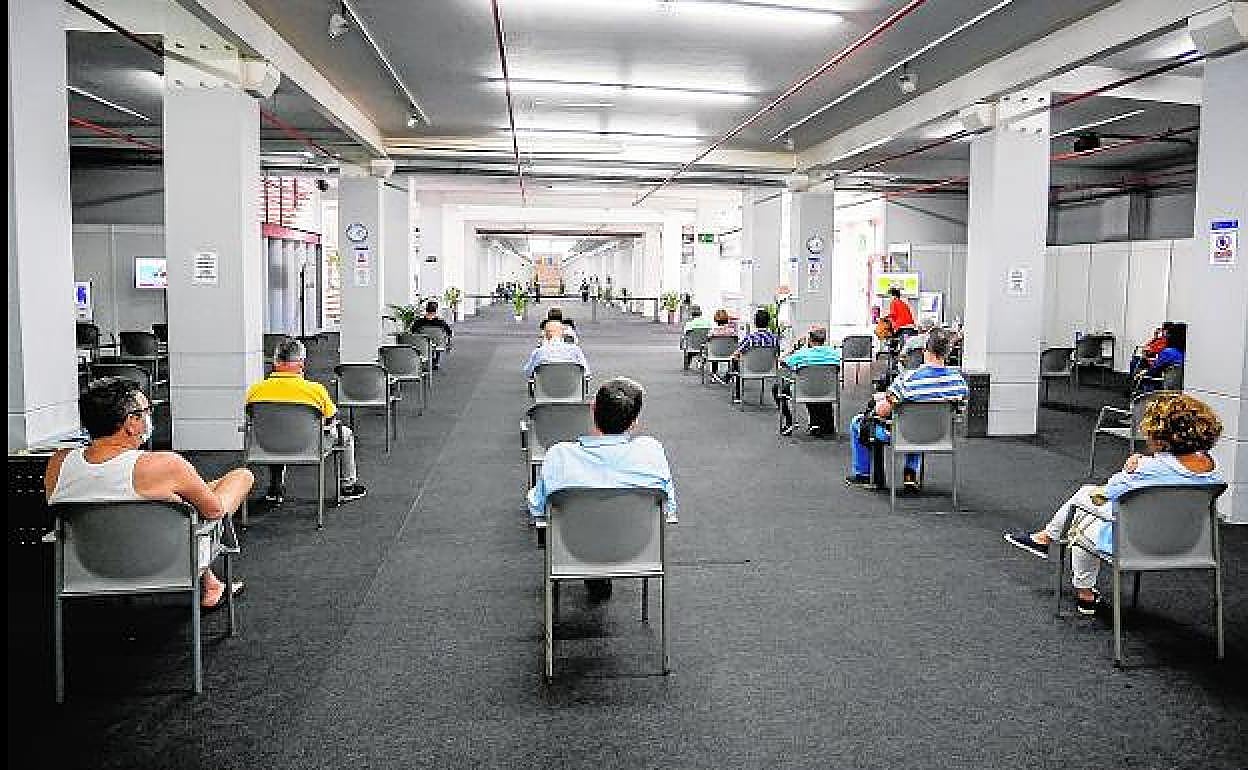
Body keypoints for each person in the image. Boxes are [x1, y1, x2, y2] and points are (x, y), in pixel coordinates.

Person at [45, 377, 254, 610]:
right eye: (146, 411)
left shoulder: (58, 463)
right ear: (131, 422)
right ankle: (211, 584)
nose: (149, 418)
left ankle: (212, 584)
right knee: (241, 477)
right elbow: (214, 512)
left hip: (87, 566)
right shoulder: (164, 465)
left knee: (169, 502)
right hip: (168, 561)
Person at [1004, 393, 1222, 615]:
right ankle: (1045, 539)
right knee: (1087, 496)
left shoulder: (1147, 469)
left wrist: (1131, 468)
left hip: (1137, 545)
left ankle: (1083, 592)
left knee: (1080, 525)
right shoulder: (1211, 470)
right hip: (1188, 545)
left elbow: (1106, 494)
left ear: (1160, 434)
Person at [527, 377, 678, 600]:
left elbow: (537, 508)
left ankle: (593, 568)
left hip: (573, 548)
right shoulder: (651, 452)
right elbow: (669, 510)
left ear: (593, 409)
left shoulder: (559, 455)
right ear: (634, 422)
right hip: (635, 547)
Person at [245, 337, 367, 504]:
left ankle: (275, 489)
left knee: (276, 429)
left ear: (275, 361)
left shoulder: (255, 390)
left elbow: (252, 418)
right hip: (309, 446)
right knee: (345, 434)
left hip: (266, 446)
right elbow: (331, 419)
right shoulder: (315, 390)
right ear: (301, 363)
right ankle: (348, 487)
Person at [846, 327, 968, 490]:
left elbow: (882, 411)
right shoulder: (959, 382)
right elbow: (959, 412)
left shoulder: (907, 379)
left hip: (903, 434)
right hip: (940, 436)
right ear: (948, 352)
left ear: (925, 350)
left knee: (859, 422)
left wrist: (881, 400)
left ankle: (863, 475)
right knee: (920, 421)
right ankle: (910, 475)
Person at [773, 326, 842, 436]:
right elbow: (837, 369)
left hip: (805, 390)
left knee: (777, 388)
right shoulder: (834, 354)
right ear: (824, 339)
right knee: (818, 382)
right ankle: (821, 424)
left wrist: (793, 350)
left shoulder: (801, 354)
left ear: (809, 339)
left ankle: (790, 421)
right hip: (828, 391)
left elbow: (783, 362)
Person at [729, 307, 781, 403]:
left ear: (755, 322)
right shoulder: (775, 339)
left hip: (749, 369)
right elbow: (776, 354)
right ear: (768, 322)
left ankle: (738, 395)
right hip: (768, 369)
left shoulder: (750, 338)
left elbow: (737, 353)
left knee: (735, 361)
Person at [523, 320, 591, 380]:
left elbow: (528, 372)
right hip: (571, 388)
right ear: (562, 333)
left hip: (545, 388)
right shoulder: (575, 350)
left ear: (546, 335)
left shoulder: (539, 351)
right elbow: (587, 372)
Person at [412, 300, 453, 370]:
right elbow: (449, 333)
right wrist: (448, 344)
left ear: (426, 309)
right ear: (436, 310)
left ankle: (425, 361)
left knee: (424, 341)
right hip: (437, 344)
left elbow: (412, 332)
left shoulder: (418, 322)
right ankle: (436, 361)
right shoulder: (441, 322)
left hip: (422, 344)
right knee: (437, 339)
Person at [681, 305, 712, 370]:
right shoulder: (707, 323)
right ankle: (702, 362)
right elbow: (710, 334)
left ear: (691, 314)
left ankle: (687, 364)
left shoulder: (689, 324)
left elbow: (685, 335)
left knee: (688, 349)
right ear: (700, 313)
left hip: (692, 346)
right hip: (703, 346)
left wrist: (681, 344)